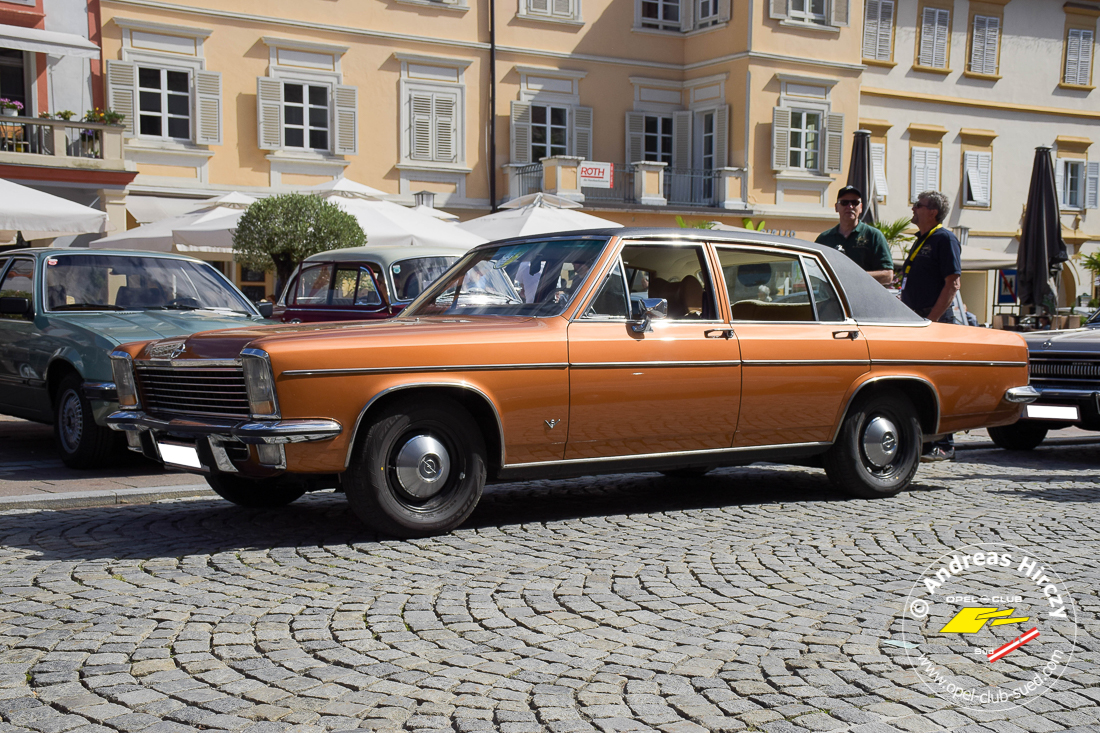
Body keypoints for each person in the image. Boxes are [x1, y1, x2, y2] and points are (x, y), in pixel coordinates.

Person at [901, 190, 963, 462]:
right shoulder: (922, 239)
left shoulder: (944, 239)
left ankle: (945, 444)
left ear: (933, 212)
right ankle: (926, 440)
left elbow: (953, 284)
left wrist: (932, 321)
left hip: (932, 321)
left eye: (919, 205)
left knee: (939, 379)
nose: (913, 209)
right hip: (916, 320)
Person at [815, 185, 895, 285]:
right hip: (832, 299)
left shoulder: (873, 236)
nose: (850, 206)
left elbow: (888, 276)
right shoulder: (824, 239)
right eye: (844, 203)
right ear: (836, 207)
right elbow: (814, 273)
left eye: (855, 203)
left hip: (863, 298)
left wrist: (855, 276)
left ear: (860, 207)